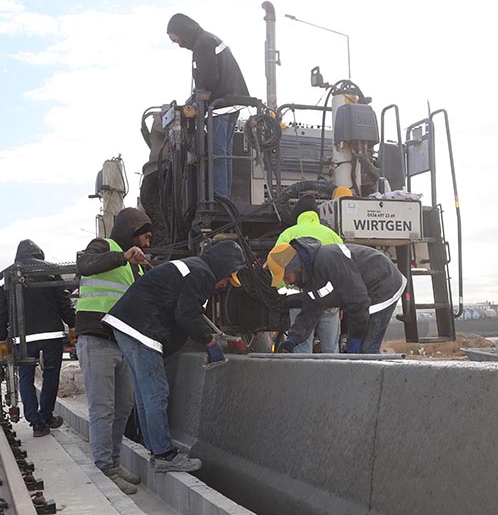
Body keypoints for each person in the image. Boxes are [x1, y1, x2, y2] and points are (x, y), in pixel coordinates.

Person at [102, 241, 249, 473]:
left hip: (126, 325)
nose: (223, 284)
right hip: (142, 327)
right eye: (226, 278)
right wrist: (209, 341)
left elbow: (182, 312)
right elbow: (186, 314)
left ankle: (155, 447)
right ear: (222, 267)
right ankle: (164, 455)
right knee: (156, 393)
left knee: (143, 393)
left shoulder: (192, 267)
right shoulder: (202, 274)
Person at [74, 208, 153, 495]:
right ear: (132, 231)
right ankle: (105, 468)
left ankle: (114, 463)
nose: (147, 243)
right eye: (144, 236)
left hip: (122, 343)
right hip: (96, 339)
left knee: (122, 408)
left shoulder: (138, 266)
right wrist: (122, 256)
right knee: (102, 408)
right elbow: (84, 264)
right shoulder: (104, 247)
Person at [0, 240, 76, 438]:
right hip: (51, 334)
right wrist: (72, 324)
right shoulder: (50, 270)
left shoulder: (4, 276)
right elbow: (63, 300)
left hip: (22, 338)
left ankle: (36, 422)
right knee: (51, 374)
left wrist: (2, 338)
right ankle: (46, 415)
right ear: (39, 254)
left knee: (26, 378)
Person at [265, 238, 406, 355]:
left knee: (367, 349)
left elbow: (358, 301)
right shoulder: (310, 280)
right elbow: (310, 310)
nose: (286, 282)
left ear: (297, 267)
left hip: (384, 283)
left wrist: (355, 338)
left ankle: (377, 385)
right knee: (361, 352)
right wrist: (294, 339)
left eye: (286, 276)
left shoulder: (328, 260)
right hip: (366, 292)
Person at [166, 13, 250, 199]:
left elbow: (210, 79)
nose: (177, 43)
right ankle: (224, 196)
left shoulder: (203, 44)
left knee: (217, 154)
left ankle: (219, 199)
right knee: (225, 154)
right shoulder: (210, 39)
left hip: (220, 105)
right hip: (233, 102)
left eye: (176, 39)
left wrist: (197, 99)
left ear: (183, 31)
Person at [276, 196, 343, 353]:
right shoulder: (332, 235)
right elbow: (343, 267)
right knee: (331, 348)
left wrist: (284, 290)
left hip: (300, 298)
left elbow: (276, 264)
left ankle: (301, 377)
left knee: (301, 347)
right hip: (330, 298)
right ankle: (335, 377)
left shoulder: (288, 233)